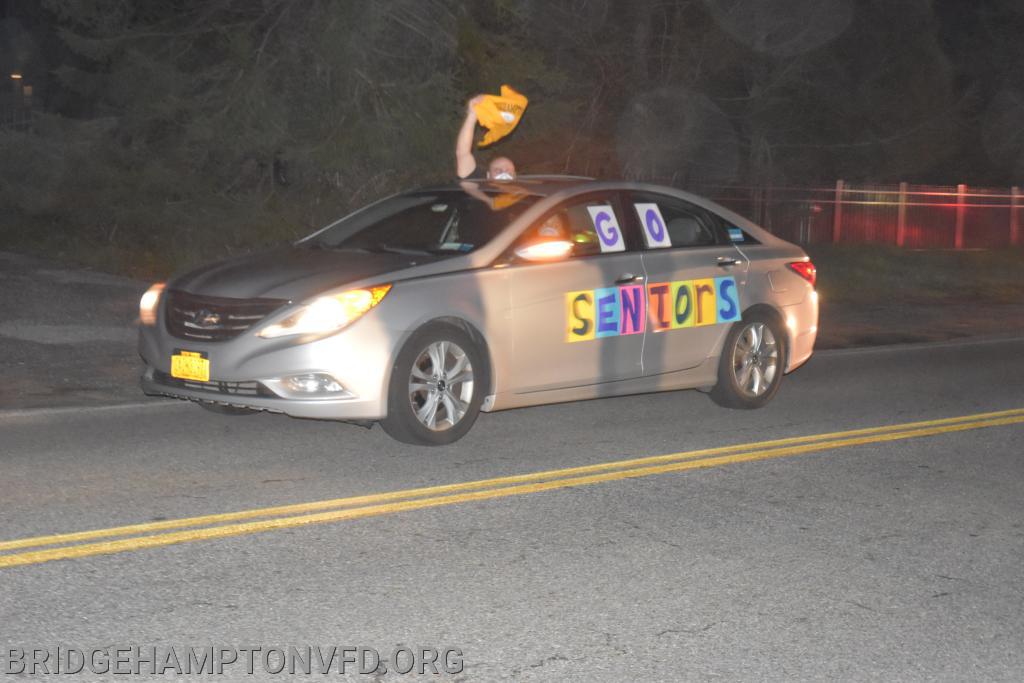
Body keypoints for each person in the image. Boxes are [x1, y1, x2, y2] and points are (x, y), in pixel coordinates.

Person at [455, 95, 517, 181]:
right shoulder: (479, 188)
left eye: (509, 172)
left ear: (514, 176)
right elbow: (463, 153)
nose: (504, 174)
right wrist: (472, 115)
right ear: (488, 175)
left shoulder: (525, 193)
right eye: (498, 171)